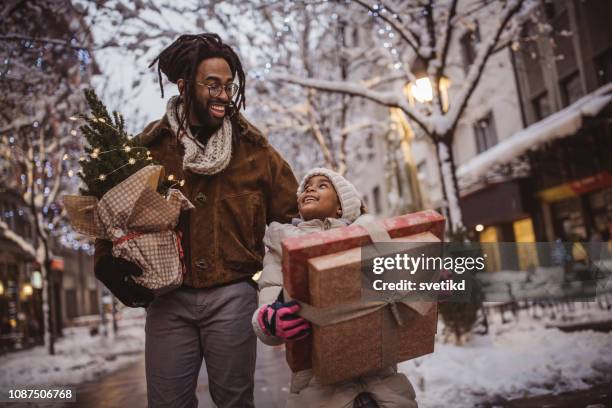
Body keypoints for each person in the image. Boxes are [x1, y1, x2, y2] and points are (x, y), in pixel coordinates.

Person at [93, 33, 299, 408]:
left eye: (229, 86)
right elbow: (111, 213)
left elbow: (297, 220)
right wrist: (104, 261)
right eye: (213, 85)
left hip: (234, 296)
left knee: (235, 402)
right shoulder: (147, 151)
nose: (224, 95)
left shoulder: (256, 152)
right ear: (185, 86)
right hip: (167, 301)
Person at [252, 168, 418, 408]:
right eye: (306, 186)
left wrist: (428, 288)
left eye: (322, 185)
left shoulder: (373, 237)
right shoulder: (281, 248)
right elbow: (267, 307)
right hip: (317, 389)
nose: (309, 188)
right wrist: (269, 320)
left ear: (341, 205)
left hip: (382, 381)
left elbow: (406, 300)